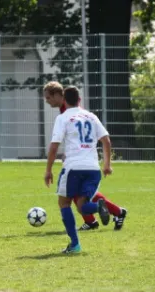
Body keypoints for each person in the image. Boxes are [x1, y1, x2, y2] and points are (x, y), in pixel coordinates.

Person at [43, 81, 127, 231]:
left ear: (59, 96)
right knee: (82, 194)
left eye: (48, 97)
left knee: (75, 194)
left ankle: (113, 213)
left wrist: (68, 155)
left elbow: (65, 138)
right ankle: (96, 219)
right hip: (88, 162)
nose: (47, 101)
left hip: (79, 162)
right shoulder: (81, 112)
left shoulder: (66, 111)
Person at [44, 86, 113, 254]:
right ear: (79, 100)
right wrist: (107, 165)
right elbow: (106, 141)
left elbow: (54, 146)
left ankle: (75, 245)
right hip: (93, 168)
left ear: (65, 100)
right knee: (82, 206)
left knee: (64, 203)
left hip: (73, 167)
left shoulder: (63, 118)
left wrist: (48, 170)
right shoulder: (91, 116)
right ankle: (99, 208)